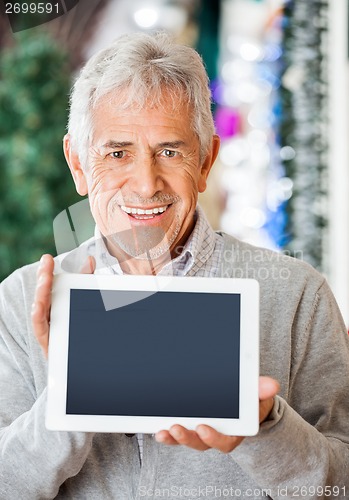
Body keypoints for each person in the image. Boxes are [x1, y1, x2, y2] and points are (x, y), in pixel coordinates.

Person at [0, 31, 348, 500]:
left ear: (205, 161)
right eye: (117, 153)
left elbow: (340, 486)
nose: (146, 184)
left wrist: (266, 427)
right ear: (79, 165)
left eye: (170, 151)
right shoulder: (21, 302)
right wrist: (73, 388)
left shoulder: (295, 295)